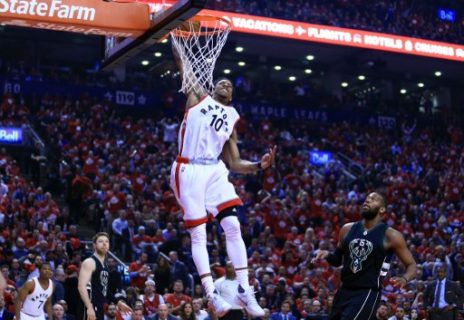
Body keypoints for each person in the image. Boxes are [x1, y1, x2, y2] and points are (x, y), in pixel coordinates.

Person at [172, 42, 276, 318]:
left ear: (233, 95)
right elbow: (184, 66)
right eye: (222, 82)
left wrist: (259, 165)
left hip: (216, 169)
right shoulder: (198, 98)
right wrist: (173, 33)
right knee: (199, 234)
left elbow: (234, 163)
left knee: (232, 224)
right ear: (214, 87)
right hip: (189, 168)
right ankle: (211, 293)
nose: (226, 85)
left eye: (230, 84)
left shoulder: (231, 118)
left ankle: (244, 289)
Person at [312, 192, 417, 320]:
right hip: (344, 290)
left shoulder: (391, 235)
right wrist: (327, 254)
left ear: (382, 209)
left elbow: (412, 265)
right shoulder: (347, 229)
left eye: (373, 199)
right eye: (366, 199)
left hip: (367, 292)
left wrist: (405, 278)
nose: (367, 201)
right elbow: (337, 260)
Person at [78, 232, 132, 320]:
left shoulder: (105, 266)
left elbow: (104, 289)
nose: (104, 244)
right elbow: (81, 287)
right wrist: (89, 307)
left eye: (107, 241)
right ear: (94, 245)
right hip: (89, 306)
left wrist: (118, 302)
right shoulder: (90, 262)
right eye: (101, 241)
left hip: (99, 306)